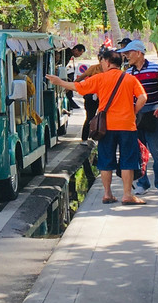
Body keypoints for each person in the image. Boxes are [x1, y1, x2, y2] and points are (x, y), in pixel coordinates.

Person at [48, 50, 148, 205]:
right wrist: (133, 112)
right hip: (127, 126)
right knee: (128, 159)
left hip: (106, 127)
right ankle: (127, 195)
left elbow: (78, 87)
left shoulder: (100, 78)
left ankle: (107, 194)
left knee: (106, 159)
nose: (101, 64)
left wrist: (59, 82)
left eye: (102, 61)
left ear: (107, 62)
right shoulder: (130, 79)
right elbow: (143, 97)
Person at [123, 40, 158, 197]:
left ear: (138, 53)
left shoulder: (156, 69)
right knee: (138, 152)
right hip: (135, 116)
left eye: (129, 53)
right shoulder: (128, 73)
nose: (126, 56)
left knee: (157, 152)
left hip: (153, 114)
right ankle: (142, 183)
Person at [64, 44, 87, 109]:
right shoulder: (66, 53)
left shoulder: (69, 55)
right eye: (80, 53)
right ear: (76, 50)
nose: (79, 55)